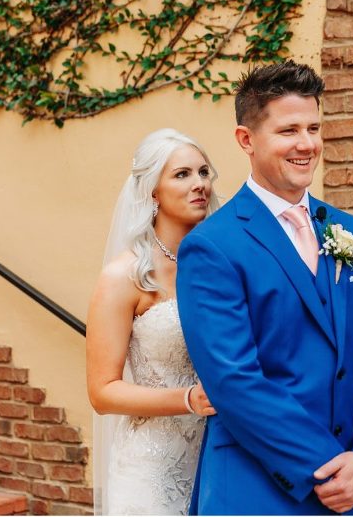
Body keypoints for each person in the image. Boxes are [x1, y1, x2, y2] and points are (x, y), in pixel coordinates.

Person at [176, 61, 353, 515]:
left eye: (314, 127)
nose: (307, 145)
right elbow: (233, 380)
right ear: (247, 140)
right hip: (259, 489)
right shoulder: (211, 247)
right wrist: (326, 467)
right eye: (288, 131)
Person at [86, 128, 220, 515]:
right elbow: (102, 392)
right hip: (152, 468)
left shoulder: (220, 265)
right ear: (152, 191)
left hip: (218, 458)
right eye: (182, 175)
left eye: (203, 172)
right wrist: (187, 400)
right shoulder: (123, 276)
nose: (199, 185)